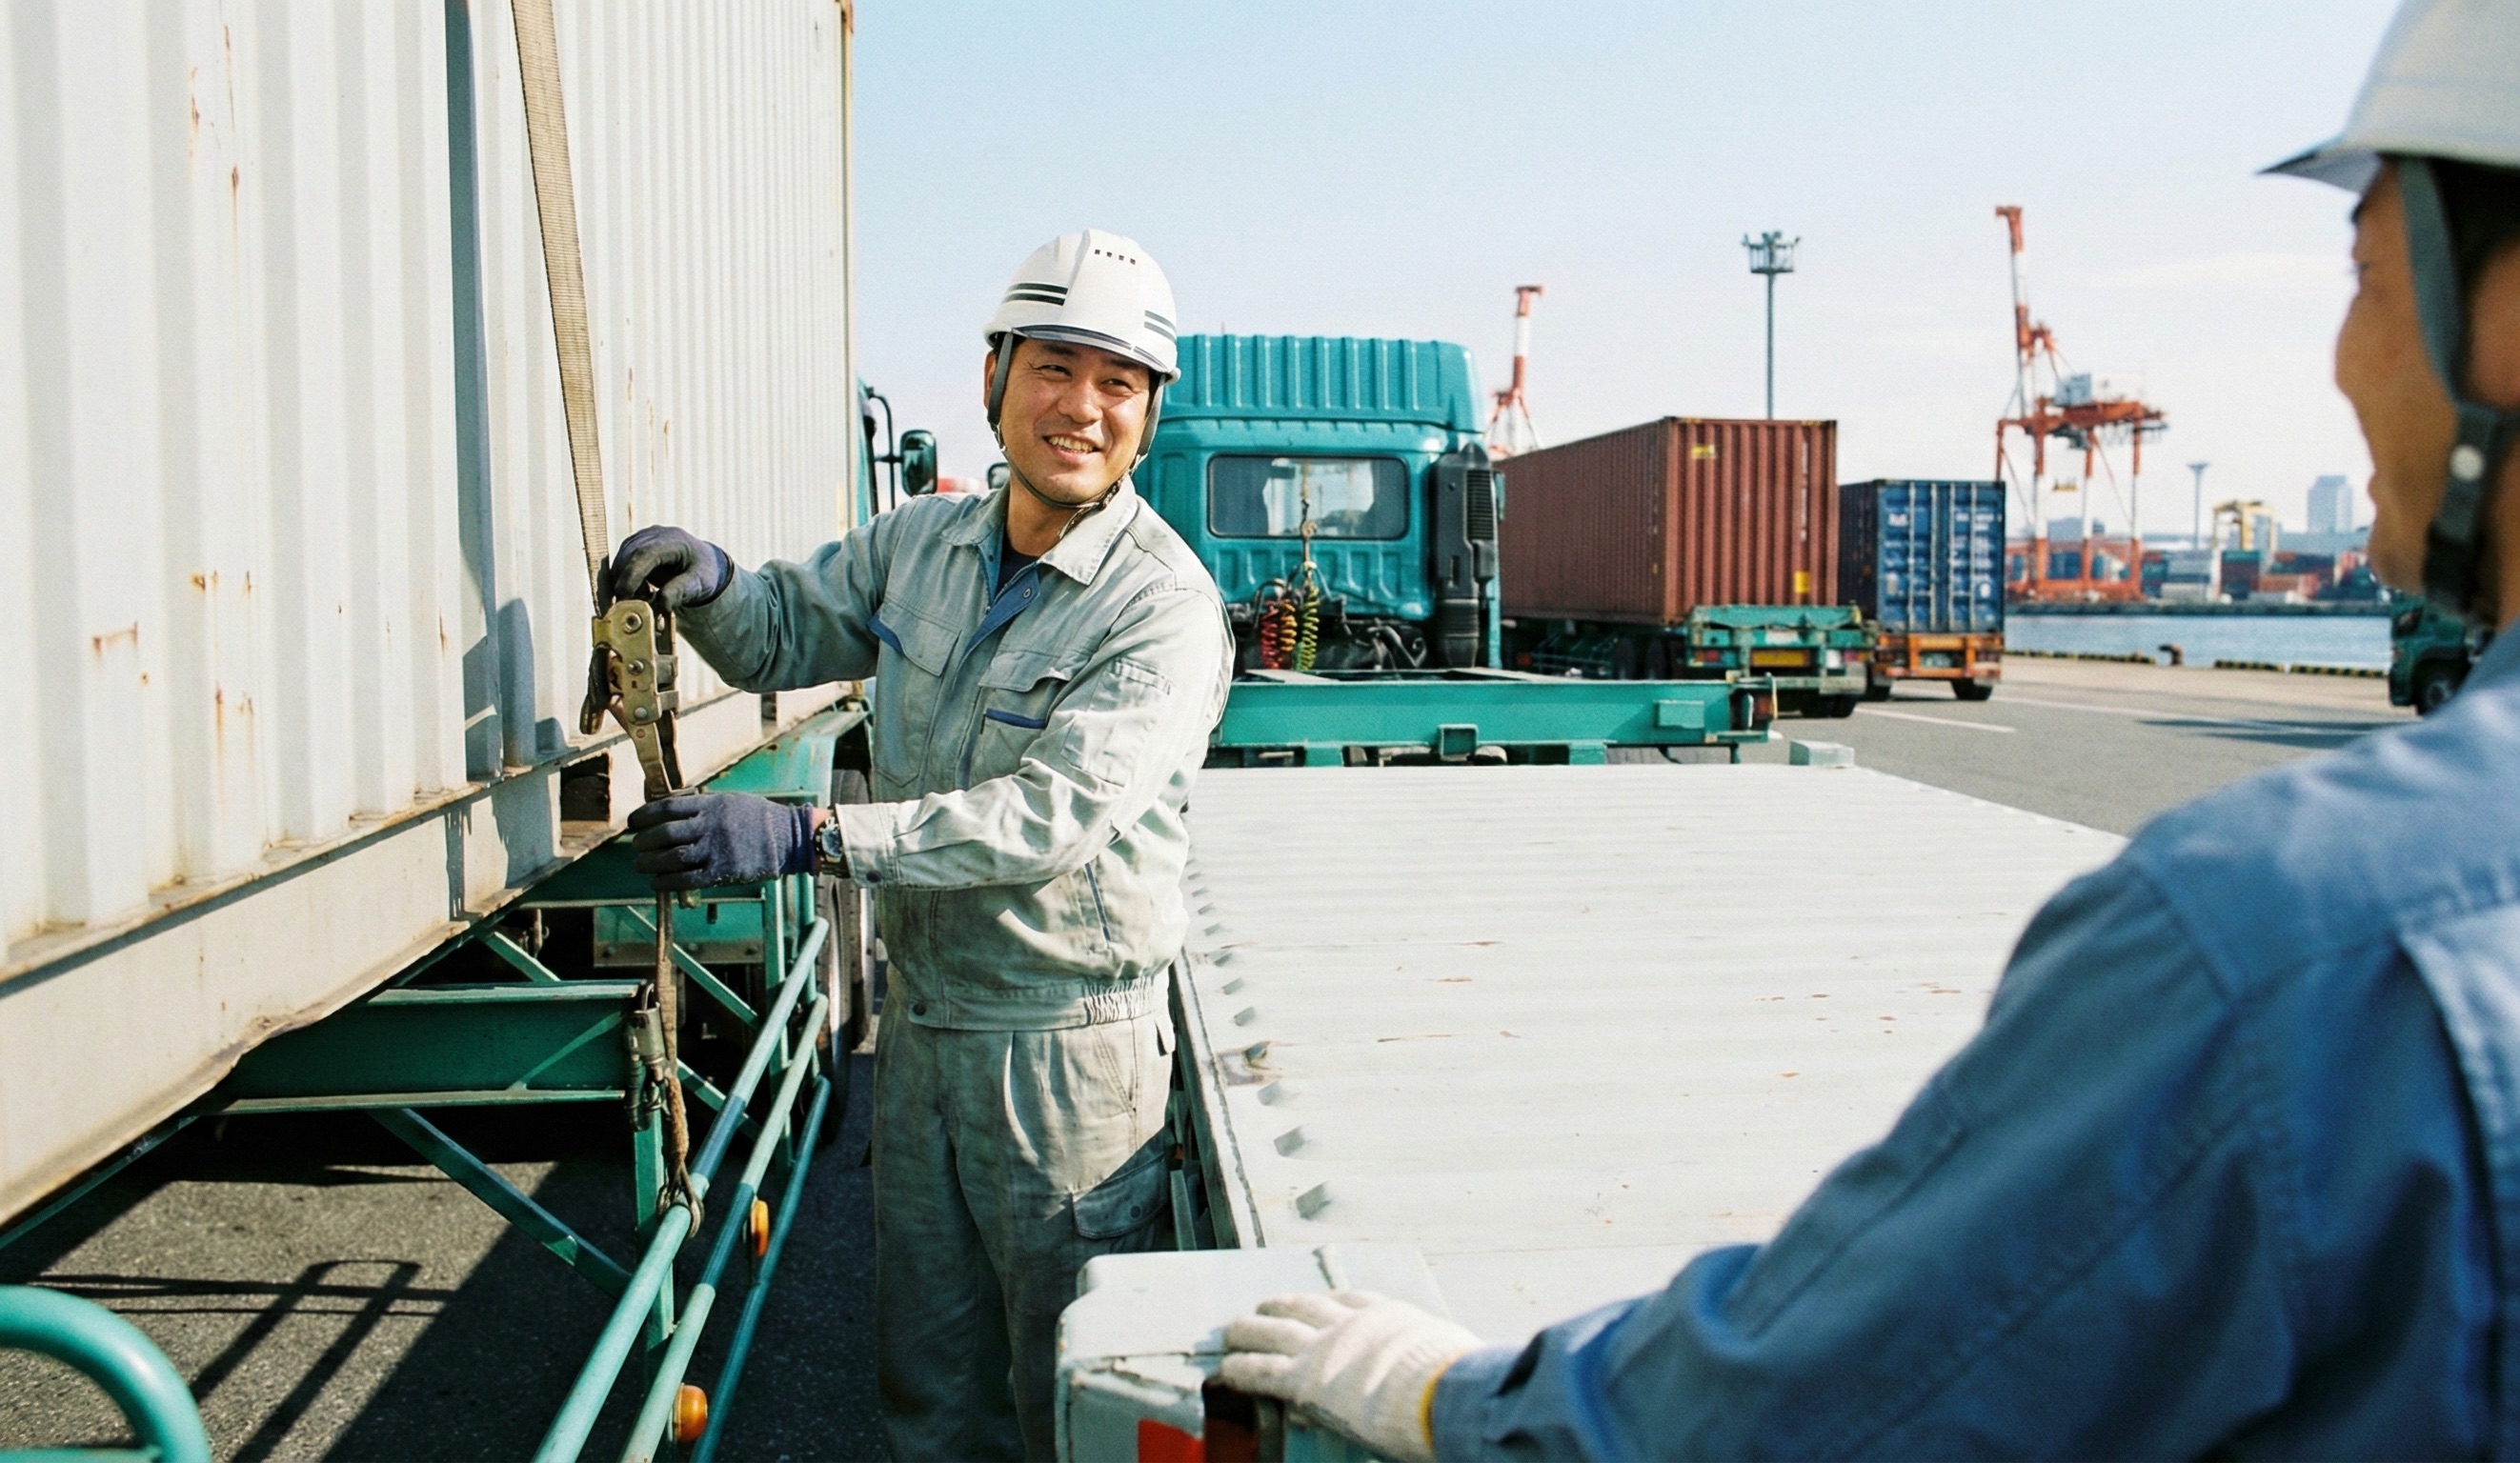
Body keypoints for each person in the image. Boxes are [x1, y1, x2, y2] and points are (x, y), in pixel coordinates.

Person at [1219, 4, 2520, 1457]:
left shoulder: (2290, 940)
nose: (2338, 360)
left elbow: (1806, 1400)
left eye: (2361, 275)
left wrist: (1444, 1394)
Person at [607, 230, 1231, 1462]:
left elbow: (1047, 817)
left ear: (1149, 414)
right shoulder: (920, 545)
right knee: (930, 1389)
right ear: (995, 375)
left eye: (1118, 383)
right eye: (1054, 368)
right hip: (927, 1026)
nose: (1082, 407)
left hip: (1067, 1054)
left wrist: (807, 835)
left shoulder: (1160, 607)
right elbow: (783, 631)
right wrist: (712, 581)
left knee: (1070, 1397)